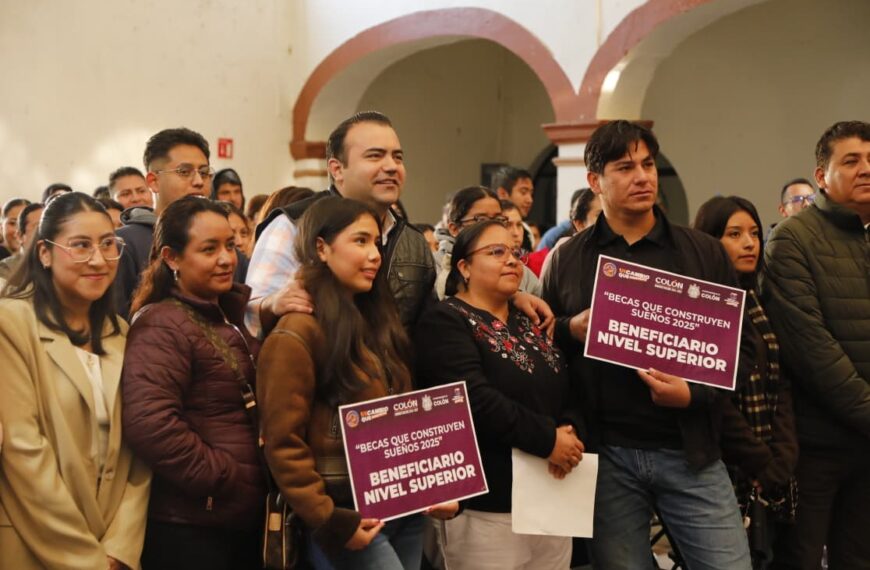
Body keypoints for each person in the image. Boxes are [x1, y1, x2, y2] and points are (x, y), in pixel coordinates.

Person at [542, 120, 751, 569]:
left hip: (690, 450)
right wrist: (567, 328)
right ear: (595, 181)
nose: (643, 176)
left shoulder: (703, 253)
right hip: (607, 456)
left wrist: (693, 393)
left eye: (648, 164)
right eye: (625, 167)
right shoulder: (568, 258)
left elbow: (740, 350)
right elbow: (543, 350)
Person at [258, 198, 452, 569]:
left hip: (402, 505)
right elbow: (283, 443)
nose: (374, 255)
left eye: (376, 243)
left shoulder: (377, 319)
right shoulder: (298, 330)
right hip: (348, 516)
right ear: (321, 247)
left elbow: (405, 413)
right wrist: (330, 519)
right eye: (360, 241)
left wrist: (433, 484)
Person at [415, 220, 583, 569]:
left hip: (551, 491)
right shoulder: (446, 321)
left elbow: (565, 383)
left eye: (514, 253)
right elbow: (475, 400)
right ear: (464, 267)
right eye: (496, 252)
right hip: (487, 501)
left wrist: (569, 428)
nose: (512, 261)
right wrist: (548, 439)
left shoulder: (529, 319)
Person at [0, 192, 149, 570]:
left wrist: (120, 547)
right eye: (80, 246)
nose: (98, 260)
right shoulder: (12, 324)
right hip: (34, 539)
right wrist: (87, 560)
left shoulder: (121, 332)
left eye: (107, 245)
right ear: (45, 253)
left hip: (112, 547)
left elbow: (139, 451)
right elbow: (23, 452)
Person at [121, 196, 265, 569]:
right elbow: (150, 425)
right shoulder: (163, 324)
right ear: (171, 257)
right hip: (192, 525)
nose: (226, 258)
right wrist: (226, 476)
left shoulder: (222, 314)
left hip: (228, 518)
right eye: (209, 248)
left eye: (231, 245)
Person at [761, 120, 870, 569]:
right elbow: (811, 347)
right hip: (817, 444)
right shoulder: (793, 238)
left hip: (867, 446)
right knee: (802, 560)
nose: (866, 169)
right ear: (821, 175)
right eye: (852, 160)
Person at [245, 111, 436, 337]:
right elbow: (250, 315)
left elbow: (428, 334)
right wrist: (273, 303)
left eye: (398, 157)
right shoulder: (294, 224)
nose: (392, 166)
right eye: (375, 156)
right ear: (337, 169)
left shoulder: (413, 242)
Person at [694, 195, 799, 568]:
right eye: (734, 234)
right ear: (708, 240)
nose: (750, 243)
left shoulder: (757, 298)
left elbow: (779, 379)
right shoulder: (702, 306)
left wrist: (782, 456)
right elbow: (715, 398)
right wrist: (759, 460)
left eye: (754, 232)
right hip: (724, 466)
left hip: (772, 462)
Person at [116, 128, 247, 319]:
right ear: (153, 181)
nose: (198, 181)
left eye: (204, 172)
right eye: (184, 172)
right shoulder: (126, 243)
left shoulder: (225, 245)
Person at [491, 165, 535, 250]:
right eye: (523, 192)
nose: (530, 200)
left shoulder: (527, 231)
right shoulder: (485, 229)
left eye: (518, 225)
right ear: (502, 193)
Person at [0, 202, 44, 284]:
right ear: (20, 235)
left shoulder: (60, 265)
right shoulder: (6, 270)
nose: (46, 233)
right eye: (39, 227)